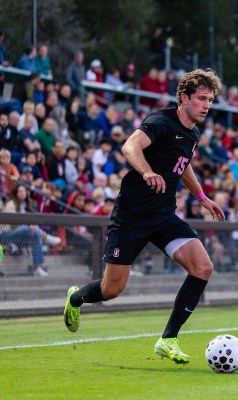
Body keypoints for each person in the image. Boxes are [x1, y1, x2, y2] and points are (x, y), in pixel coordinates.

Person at [63, 68, 225, 365]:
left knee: (202, 267)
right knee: (111, 290)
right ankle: (76, 299)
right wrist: (147, 171)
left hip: (163, 216)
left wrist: (201, 196)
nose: (207, 105)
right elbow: (130, 146)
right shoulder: (160, 121)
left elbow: (182, 162)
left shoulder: (194, 132)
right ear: (184, 98)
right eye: (202, 98)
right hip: (131, 217)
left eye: (211, 100)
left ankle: (168, 339)